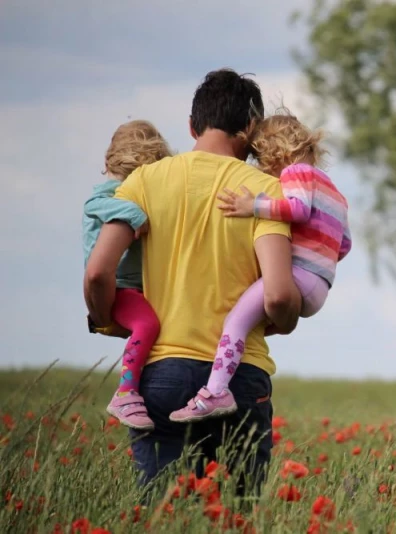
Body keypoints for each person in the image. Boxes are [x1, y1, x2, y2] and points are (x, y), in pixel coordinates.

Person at [84, 68, 301, 494]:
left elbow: (96, 271)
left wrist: (105, 316)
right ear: (251, 128)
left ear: (191, 126)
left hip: (161, 374)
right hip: (240, 378)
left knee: (165, 514)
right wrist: (287, 317)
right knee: (236, 517)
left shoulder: (143, 181)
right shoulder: (265, 192)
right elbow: (277, 295)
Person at [170, 111, 352, 423]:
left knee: (235, 322)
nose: (262, 168)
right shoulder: (335, 192)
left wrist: (251, 206)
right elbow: (344, 244)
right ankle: (226, 374)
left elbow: (296, 209)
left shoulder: (296, 173)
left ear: (275, 152)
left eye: (260, 158)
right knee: (251, 323)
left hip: (298, 276)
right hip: (320, 285)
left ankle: (215, 392)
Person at [83, 120, 170, 431]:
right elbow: (95, 205)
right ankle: (126, 392)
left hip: (135, 286)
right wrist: (135, 215)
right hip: (119, 287)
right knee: (147, 324)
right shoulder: (110, 193)